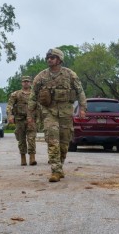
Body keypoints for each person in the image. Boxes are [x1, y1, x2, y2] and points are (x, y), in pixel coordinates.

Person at [28, 48, 87, 182]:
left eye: (53, 57)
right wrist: (30, 115)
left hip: (66, 113)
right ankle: (55, 170)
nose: (49, 59)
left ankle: (59, 165)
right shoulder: (41, 76)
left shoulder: (70, 75)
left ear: (59, 59)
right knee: (52, 140)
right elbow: (32, 96)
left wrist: (83, 108)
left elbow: (80, 92)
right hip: (49, 113)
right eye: (48, 57)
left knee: (64, 142)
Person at [7, 76, 38, 166]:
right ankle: (23, 158)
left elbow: (40, 105)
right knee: (21, 140)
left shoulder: (34, 94)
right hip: (20, 120)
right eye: (24, 81)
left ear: (30, 83)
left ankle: (32, 158)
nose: (26, 83)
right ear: (21, 83)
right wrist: (10, 115)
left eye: (28, 81)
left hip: (31, 120)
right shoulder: (16, 94)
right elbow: (9, 106)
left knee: (31, 138)